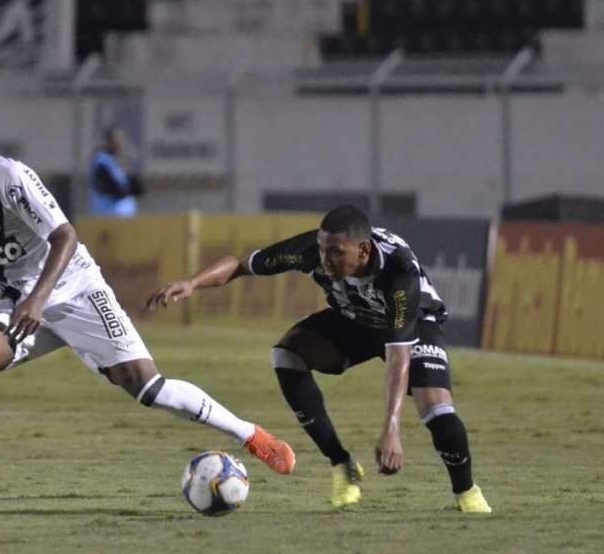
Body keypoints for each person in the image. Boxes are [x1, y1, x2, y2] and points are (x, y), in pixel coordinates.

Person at [0, 112, 294, 507]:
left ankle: (251, 435)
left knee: (150, 389)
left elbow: (65, 236)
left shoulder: (9, 177)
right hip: (21, 301)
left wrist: (38, 300)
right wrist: (23, 297)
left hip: (76, 290)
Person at [145, 205, 492, 513]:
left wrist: (391, 429)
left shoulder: (399, 272)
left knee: (439, 413)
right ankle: (342, 464)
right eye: (323, 250)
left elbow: (398, 352)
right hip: (354, 320)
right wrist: (192, 283)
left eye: (335, 253)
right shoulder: (312, 250)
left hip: (415, 325)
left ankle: (466, 491)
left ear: (363, 250)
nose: (324, 260)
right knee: (286, 355)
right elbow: (239, 264)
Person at [87, 126, 142, 216]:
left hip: (124, 214)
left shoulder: (122, 160)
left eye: (121, 138)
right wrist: (127, 189)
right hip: (106, 213)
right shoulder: (101, 160)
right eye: (116, 138)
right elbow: (112, 188)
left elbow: (138, 189)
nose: (120, 142)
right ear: (108, 140)